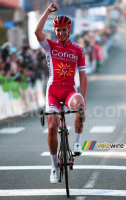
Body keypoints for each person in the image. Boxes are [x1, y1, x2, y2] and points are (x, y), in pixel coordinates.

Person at [34, 3, 87, 184]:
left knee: (79, 107)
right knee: (52, 126)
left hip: (69, 90)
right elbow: (36, 31)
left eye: (63, 30)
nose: (60, 33)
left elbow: (83, 76)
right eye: (57, 30)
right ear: (54, 31)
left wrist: (84, 100)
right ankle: (54, 166)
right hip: (54, 92)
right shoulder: (49, 46)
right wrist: (48, 11)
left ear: (69, 30)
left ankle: (77, 142)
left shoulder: (78, 50)